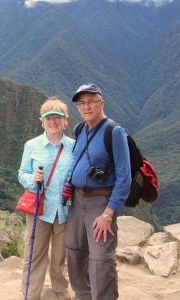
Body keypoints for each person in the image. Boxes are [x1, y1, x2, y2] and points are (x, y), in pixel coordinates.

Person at [66, 83, 131, 300]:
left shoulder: (114, 132)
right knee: (74, 250)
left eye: (91, 101)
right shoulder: (79, 129)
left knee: (101, 257)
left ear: (101, 103)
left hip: (100, 201)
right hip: (77, 198)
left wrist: (108, 213)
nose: (86, 107)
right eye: (81, 103)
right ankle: (83, 295)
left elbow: (124, 177)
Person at [18, 97, 74, 300]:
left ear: (65, 121)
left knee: (60, 253)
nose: (53, 122)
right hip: (39, 208)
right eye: (48, 118)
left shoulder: (73, 147)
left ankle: (60, 288)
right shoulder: (32, 145)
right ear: (42, 121)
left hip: (64, 209)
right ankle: (31, 292)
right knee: (35, 252)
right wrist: (32, 179)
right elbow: (22, 173)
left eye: (57, 118)